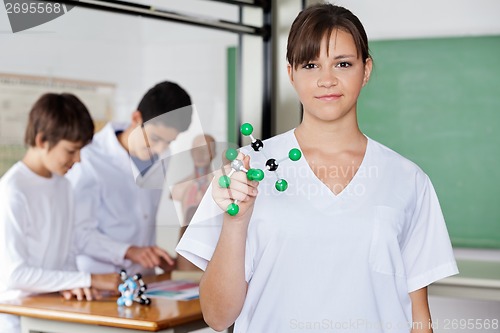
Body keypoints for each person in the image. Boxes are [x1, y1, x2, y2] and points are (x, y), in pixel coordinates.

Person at [176, 4, 458, 333]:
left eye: (343, 63)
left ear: (365, 70)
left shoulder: (408, 179)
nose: (326, 79)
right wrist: (236, 222)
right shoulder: (242, 170)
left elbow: (419, 319)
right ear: (291, 73)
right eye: (311, 64)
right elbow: (216, 316)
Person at [0, 93, 120, 333]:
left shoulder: (64, 185)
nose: (78, 160)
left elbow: (67, 256)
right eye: (71, 151)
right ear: (42, 140)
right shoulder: (12, 190)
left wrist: (76, 285)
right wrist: (88, 279)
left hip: (56, 314)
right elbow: (15, 275)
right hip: (18, 321)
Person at [66, 81, 193, 276]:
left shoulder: (161, 157)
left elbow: (141, 220)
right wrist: (129, 251)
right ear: (136, 117)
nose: (159, 150)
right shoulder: (88, 159)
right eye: (156, 139)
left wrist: (152, 255)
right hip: (100, 280)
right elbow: (78, 234)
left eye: (168, 142)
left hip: (144, 278)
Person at [171, 134, 216, 270]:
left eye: (205, 149)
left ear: (213, 153)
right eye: (197, 149)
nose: (200, 154)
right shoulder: (179, 188)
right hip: (187, 243)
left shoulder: (219, 186)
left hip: (214, 242)